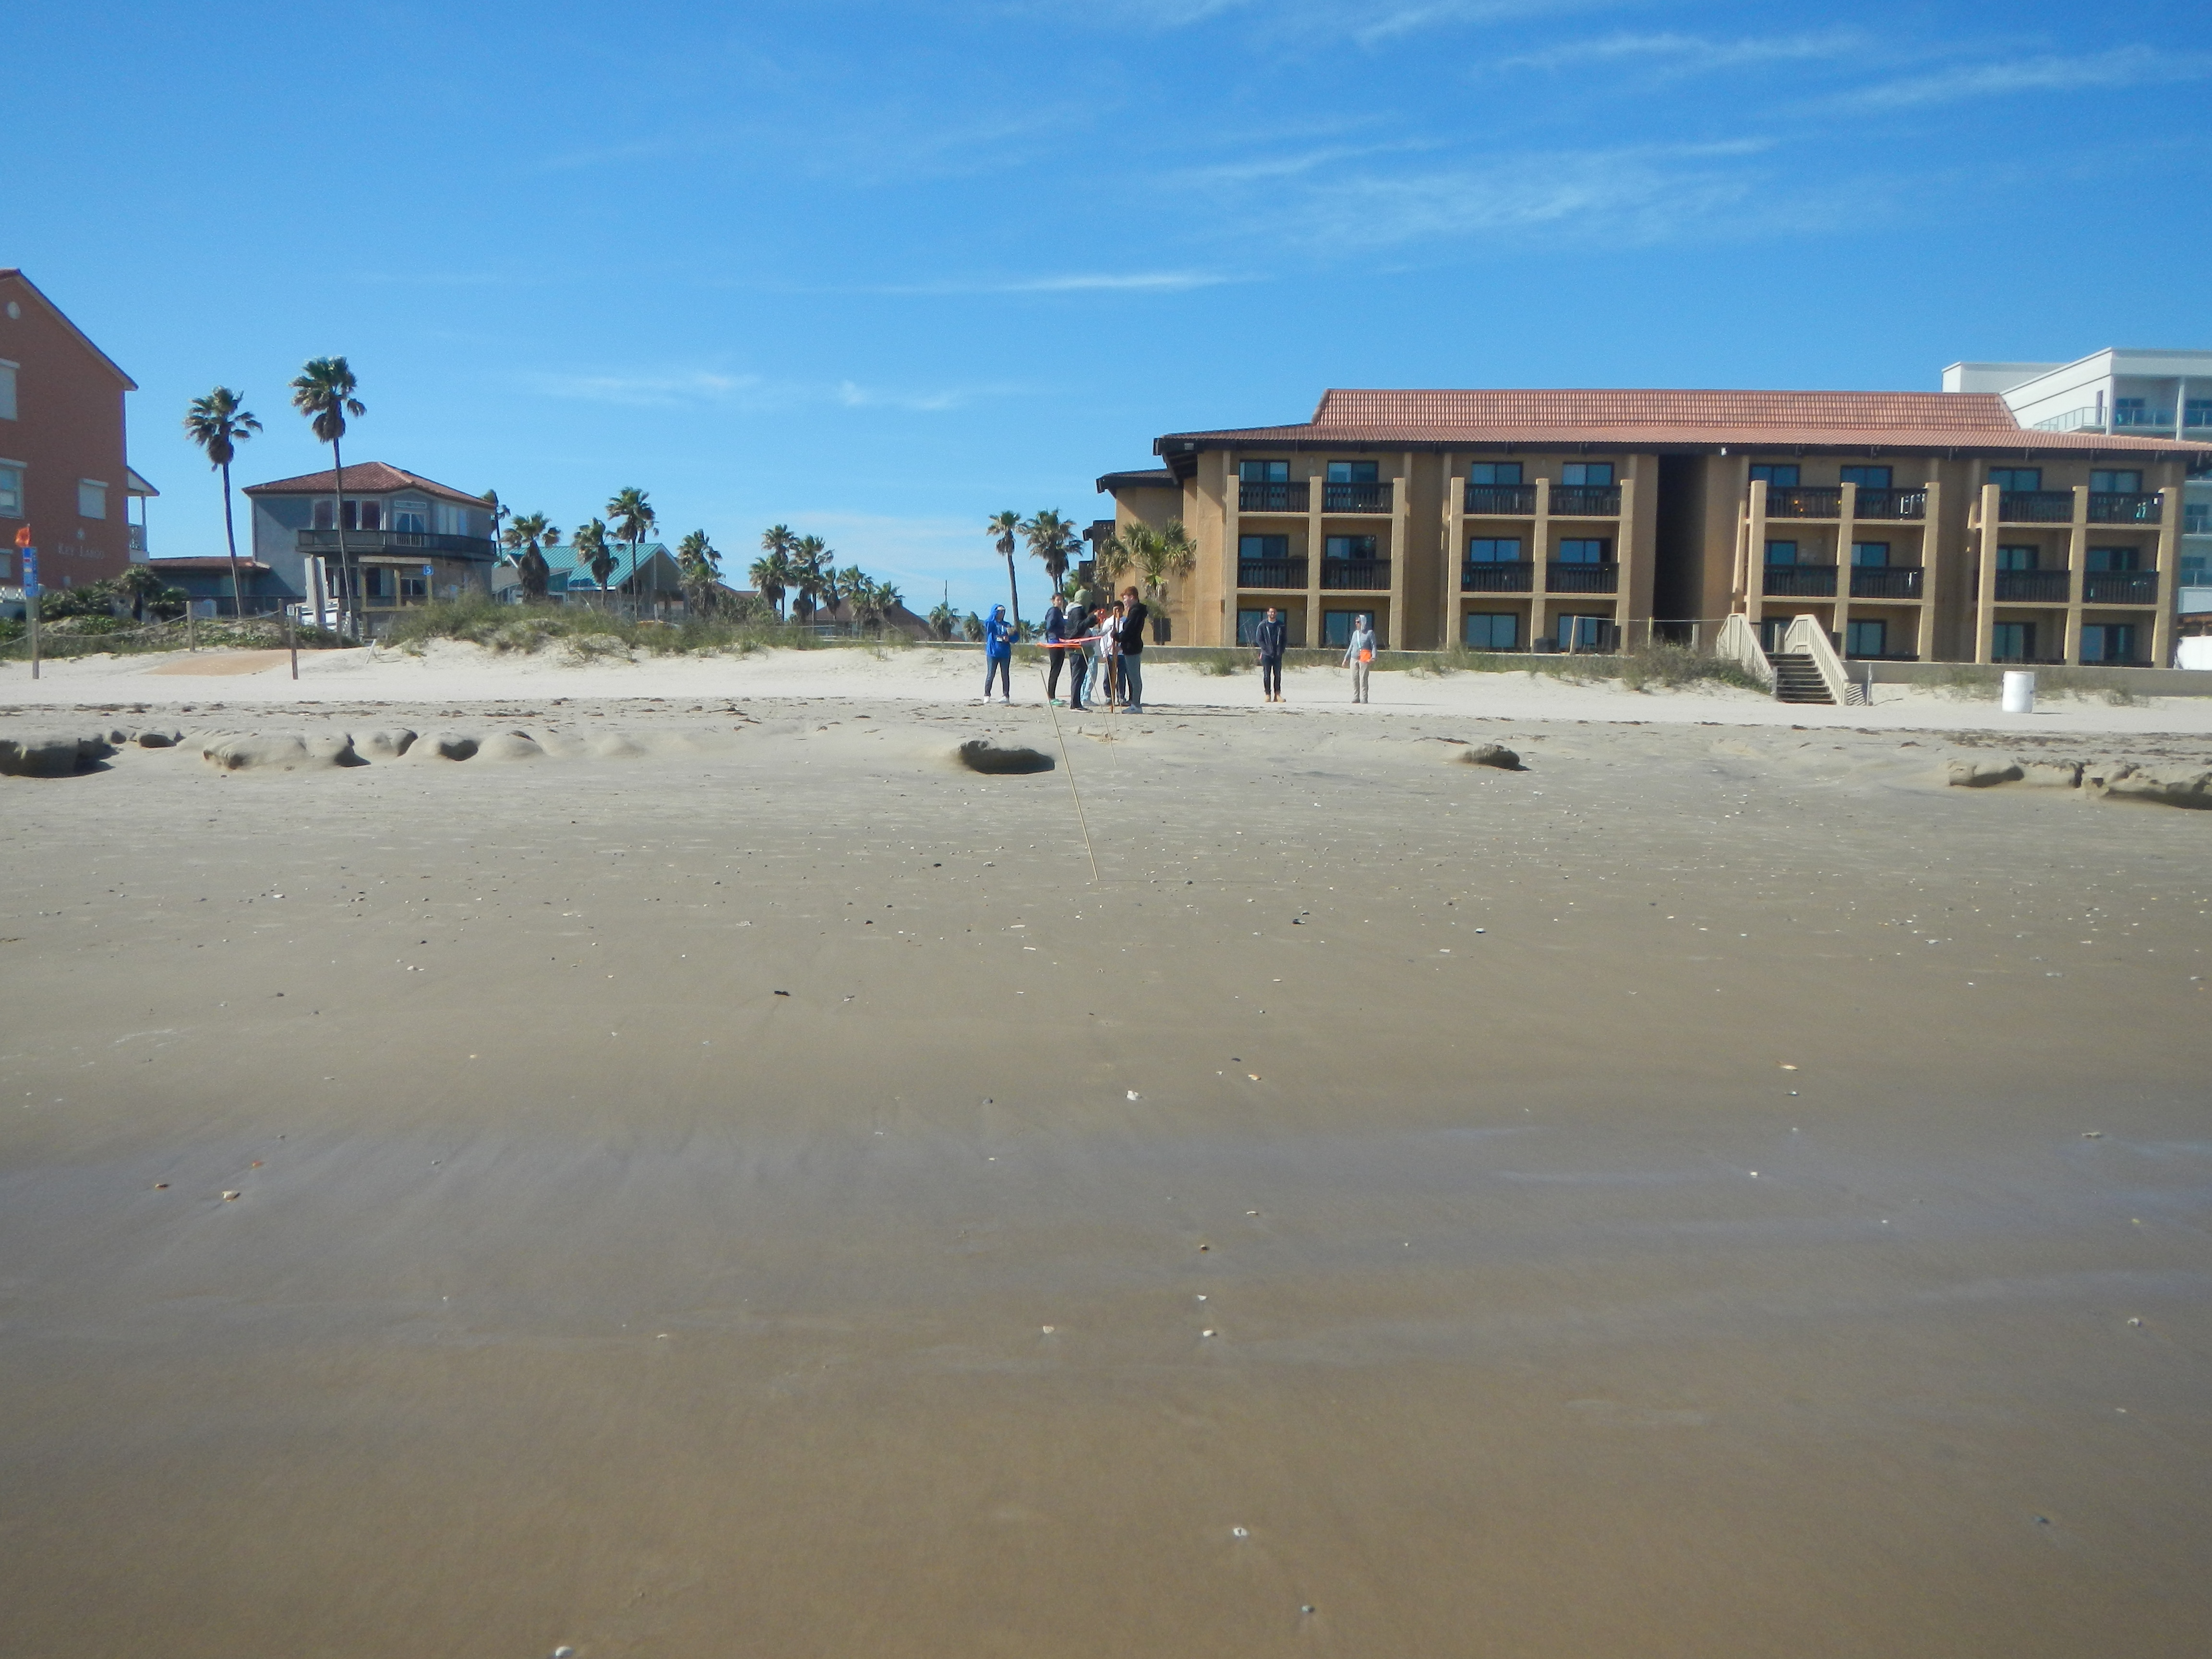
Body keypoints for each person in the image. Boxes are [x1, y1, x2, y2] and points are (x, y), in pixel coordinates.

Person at [1116, 587, 1150, 713]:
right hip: (1130, 646)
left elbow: (1130, 630)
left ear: (1132, 597)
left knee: (1134, 677)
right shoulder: (1135, 611)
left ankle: (1136, 705)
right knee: (1133, 676)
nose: (1124, 601)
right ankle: (1135, 704)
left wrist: (1118, 637)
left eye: (1125, 598)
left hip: (1133, 647)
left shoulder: (1136, 611)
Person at [982, 603, 1015, 702]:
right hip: (993, 653)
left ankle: (1006, 696)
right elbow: (987, 622)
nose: (1001, 614)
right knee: (991, 674)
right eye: (1000, 612)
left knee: (1005, 674)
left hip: (1005, 653)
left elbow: (1015, 637)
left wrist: (1009, 638)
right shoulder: (991, 624)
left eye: (1003, 612)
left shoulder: (1007, 625)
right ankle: (987, 695)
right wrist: (995, 611)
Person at [1254, 606, 1287, 702]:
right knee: (1266, 675)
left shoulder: (1281, 626)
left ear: (1276, 614)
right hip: (1266, 654)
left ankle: (1277, 695)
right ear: (1268, 613)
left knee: (1277, 674)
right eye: (1271, 612)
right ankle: (1267, 694)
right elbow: (1259, 640)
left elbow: (1284, 640)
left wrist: (1281, 651)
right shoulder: (1262, 625)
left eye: (1274, 612)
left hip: (1278, 654)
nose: (1272, 614)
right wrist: (1266, 650)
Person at [1064, 594, 1091, 710]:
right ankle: (1075, 704)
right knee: (1078, 677)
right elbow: (1079, 628)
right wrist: (1092, 619)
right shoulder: (1078, 611)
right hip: (1078, 650)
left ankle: (1076, 703)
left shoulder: (1074, 611)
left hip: (1077, 649)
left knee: (1078, 677)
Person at [1042, 592, 1069, 705]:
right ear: (1053, 601)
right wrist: (1062, 624)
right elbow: (1050, 626)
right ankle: (1051, 697)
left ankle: (1052, 696)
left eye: (1061, 600)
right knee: (1055, 670)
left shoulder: (1059, 612)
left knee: (1056, 670)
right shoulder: (1054, 611)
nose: (1060, 602)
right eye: (1058, 600)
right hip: (1055, 643)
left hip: (1059, 642)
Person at [1344, 613, 1375, 703]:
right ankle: (1356, 697)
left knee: (1363, 679)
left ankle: (1364, 698)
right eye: (1356, 622)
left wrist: (1374, 657)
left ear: (1363, 622)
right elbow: (1351, 646)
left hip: (1365, 658)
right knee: (1354, 678)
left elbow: (1373, 646)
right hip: (1354, 658)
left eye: (1358, 622)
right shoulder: (1355, 634)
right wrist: (1346, 658)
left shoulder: (1370, 633)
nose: (1357, 624)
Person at [1097, 599, 1122, 707]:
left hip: (1121, 653)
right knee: (1108, 675)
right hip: (1110, 653)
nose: (1117, 611)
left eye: (1119, 609)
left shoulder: (1125, 621)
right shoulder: (1108, 622)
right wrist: (1104, 653)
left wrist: (1122, 648)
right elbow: (1103, 638)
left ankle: (1121, 696)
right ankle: (1108, 696)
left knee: (1121, 676)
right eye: (1115, 609)